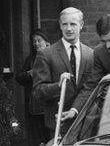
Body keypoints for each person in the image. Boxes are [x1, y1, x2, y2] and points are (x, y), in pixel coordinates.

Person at [32, 8, 94, 137]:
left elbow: (91, 88)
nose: (69, 29)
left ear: (81, 25)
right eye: (65, 24)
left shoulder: (91, 54)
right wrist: (58, 85)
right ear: (60, 25)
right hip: (58, 125)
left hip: (84, 124)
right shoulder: (46, 54)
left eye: (73, 24)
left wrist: (76, 110)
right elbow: (37, 92)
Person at [15, 29, 51, 146]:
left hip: (50, 101)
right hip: (35, 103)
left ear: (46, 42)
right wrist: (30, 73)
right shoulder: (30, 59)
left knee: (50, 132)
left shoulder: (53, 56)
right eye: (34, 41)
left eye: (39, 40)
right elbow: (19, 78)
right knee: (37, 133)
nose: (36, 43)